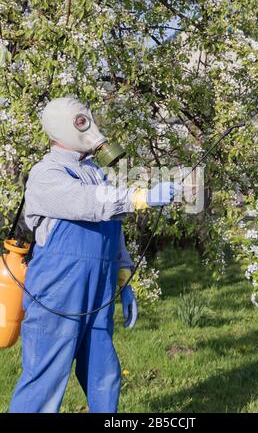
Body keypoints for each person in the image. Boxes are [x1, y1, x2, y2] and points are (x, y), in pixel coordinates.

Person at [9, 97, 180, 413]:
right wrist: (141, 196)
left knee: (104, 373)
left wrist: (123, 279)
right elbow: (91, 203)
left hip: (98, 292)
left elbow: (111, 227)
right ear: (63, 128)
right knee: (44, 380)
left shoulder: (93, 172)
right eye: (81, 122)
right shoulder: (46, 174)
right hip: (57, 295)